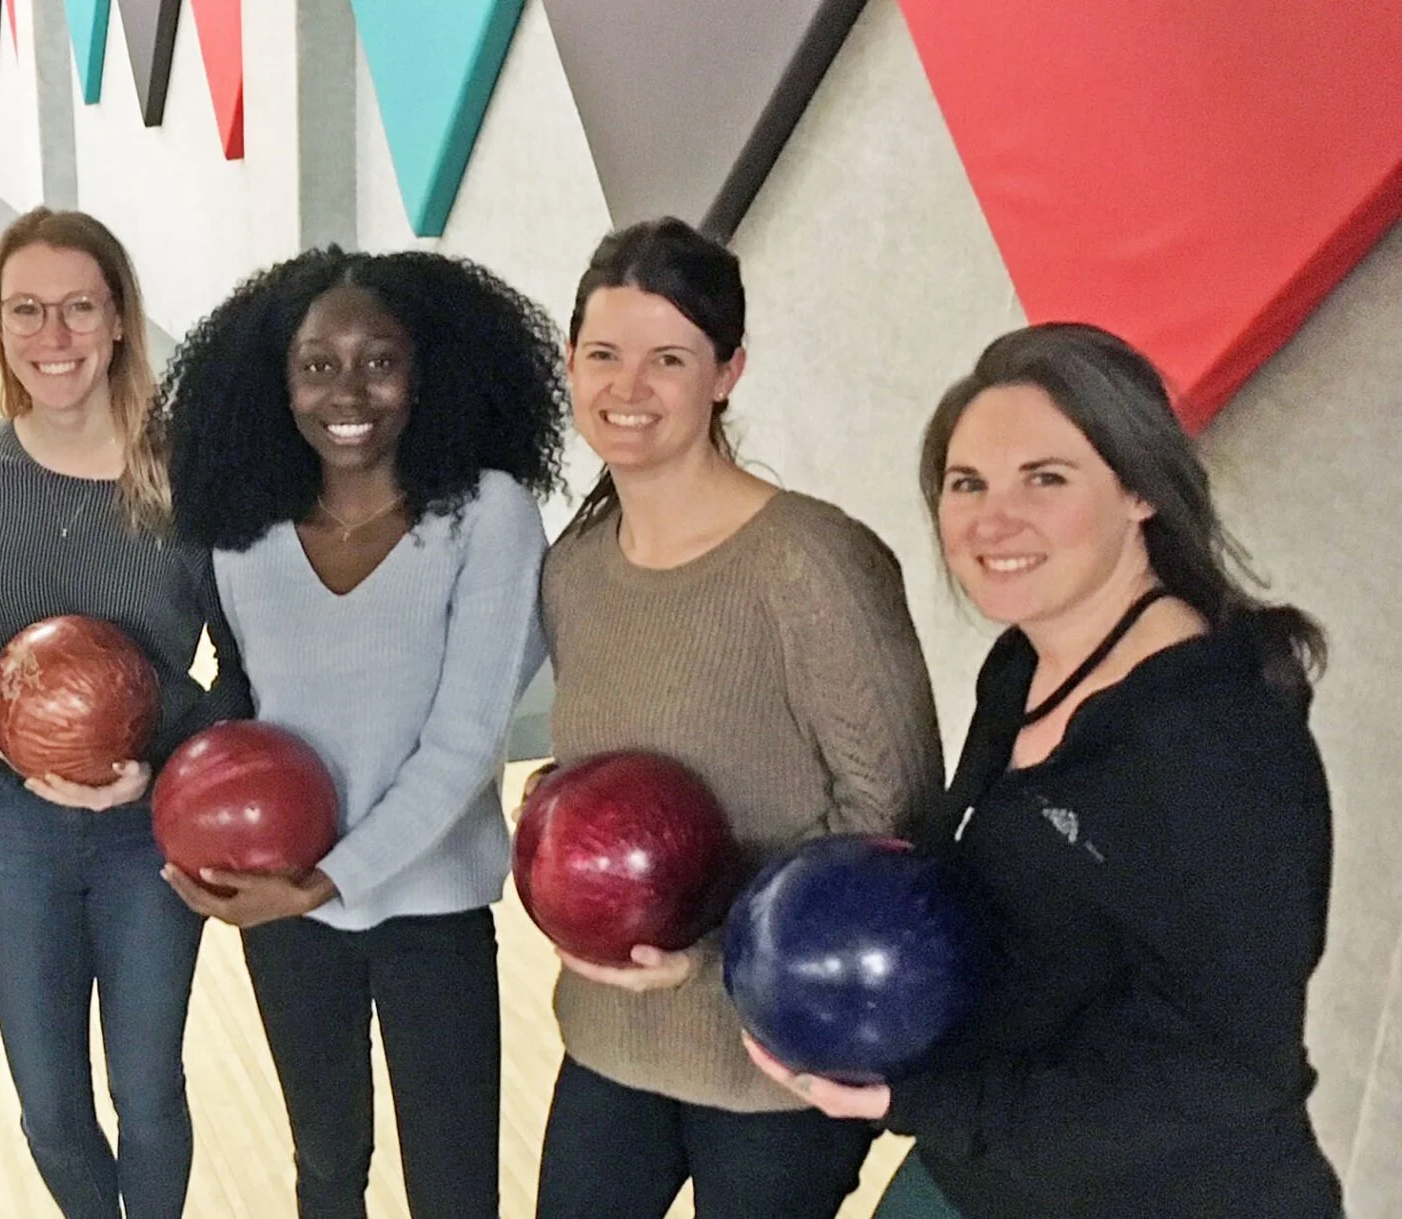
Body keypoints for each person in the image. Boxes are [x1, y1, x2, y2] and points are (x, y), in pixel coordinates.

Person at [758, 322, 1345, 1219]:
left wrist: (921, 1099)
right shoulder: (1023, 664)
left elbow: (1231, 1067)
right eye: (968, 484)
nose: (995, 519)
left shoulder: (1220, 740)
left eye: (1046, 478)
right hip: (992, 1169)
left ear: (1140, 488)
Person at [533, 217, 944, 1219]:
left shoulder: (811, 562)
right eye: (603, 355)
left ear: (726, 372)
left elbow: (895, 826)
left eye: (668, 359)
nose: (627, 389)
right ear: (570, 363)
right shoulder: (574, 568)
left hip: (782, 1056)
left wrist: (714, 938)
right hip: (611, 1036)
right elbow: (582, 775)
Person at [159, 247, 564, 1219]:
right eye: (316, 364)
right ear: (278, 379)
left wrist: (328, 877)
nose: (348, 390)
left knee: (454, 1188)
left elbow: (468, 745)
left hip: (429, 909)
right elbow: (255, 710)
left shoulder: (488, 517)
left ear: (426, 370)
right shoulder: (244, 530)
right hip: (286, 910)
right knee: (326, 1166)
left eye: (379, 359)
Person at [0, 207, 250, 1219]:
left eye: (78, 308)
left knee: (147, 1093)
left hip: (149, 821)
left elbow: (240, 674)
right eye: (26, 309)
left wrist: (166, 763)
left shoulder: (185, 472)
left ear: (119, 322)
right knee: (50, 1110)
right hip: (19, 819)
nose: (52, 336)